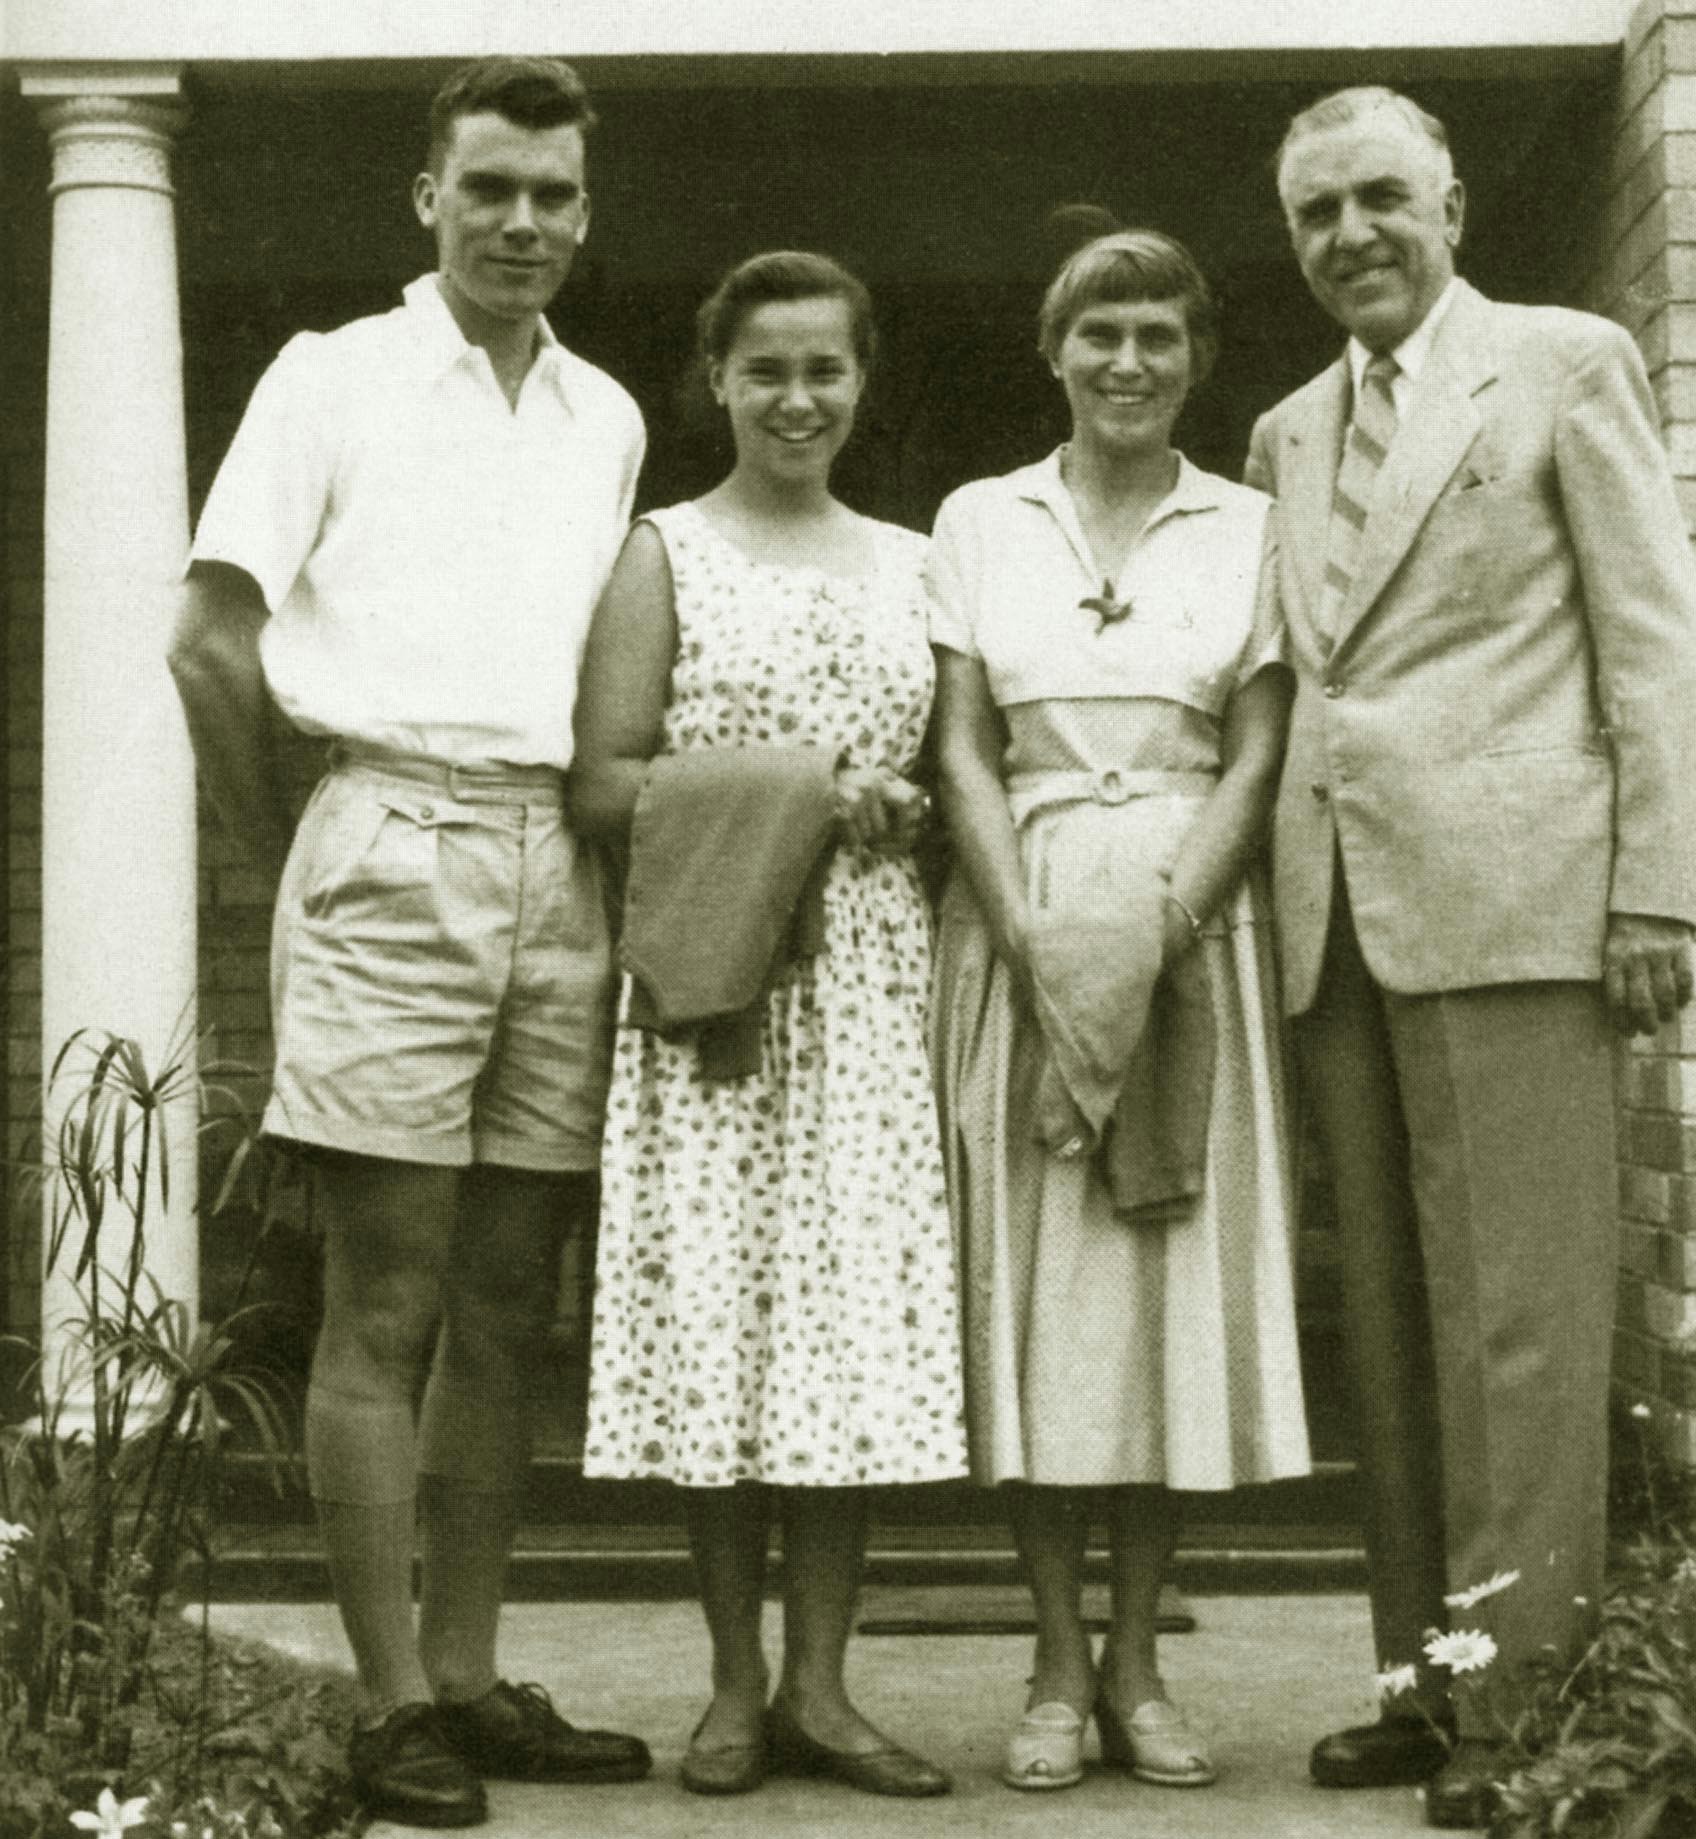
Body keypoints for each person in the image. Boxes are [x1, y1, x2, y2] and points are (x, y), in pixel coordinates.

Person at [165, 57, 652, 1830]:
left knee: (510, 1308)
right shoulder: (332, 377)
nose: (523, 221)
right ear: (426, 197)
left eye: (555, 195)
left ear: (585, 216)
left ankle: (465, 1674)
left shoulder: (602, 416)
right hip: (386, 828)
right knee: (385, 1300)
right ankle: (387, 1707)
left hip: (553, 865)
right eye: (491, 188)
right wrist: (297, 848)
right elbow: (208, 642)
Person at [1244, 87, 1696, 1828]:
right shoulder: (1286, 430)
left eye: (1381, 199)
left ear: (1448, 202)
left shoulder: (1565, 360)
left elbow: (1654, 638)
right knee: (1389, 1333)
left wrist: (1653, 890)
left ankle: (1531, 1718)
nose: (1351, 235)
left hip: (1524, 906)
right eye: (1316, 215)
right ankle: (1421, 1688)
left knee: (1520, 1329)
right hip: (1341, 920)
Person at [572, 250, 965, 1802]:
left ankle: (825, 1688)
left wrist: (906, 806)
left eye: (826, 370)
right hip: (714, 987)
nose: (797, 398)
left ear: (863, 383)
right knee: (722, 1335)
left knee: (843, 1337)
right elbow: (599, 779)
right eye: (765, 371)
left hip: (868, 986)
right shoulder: (661, 553)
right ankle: (733, 1687)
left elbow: (964, 772)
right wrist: (805, 788)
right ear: (716, 383)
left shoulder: (919, 561)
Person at [929, 228, 1311, 1796]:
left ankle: (1141, 1664)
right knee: (1037, 1306)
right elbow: (957, 741)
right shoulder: (977, 517)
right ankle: (1049, 1663)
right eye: (1099, 335)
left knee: (1162, 1306)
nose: (1128, 362)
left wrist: (1160, 931)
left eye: (1158, 334)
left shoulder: (1253, 527)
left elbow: (1259, 748)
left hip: (1184, 931)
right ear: (1055, 350)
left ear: (1197, 356)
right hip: (1012, 931)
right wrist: (1024, 932)